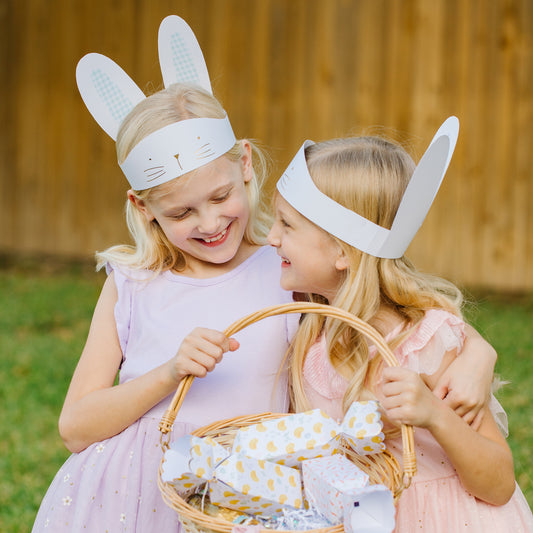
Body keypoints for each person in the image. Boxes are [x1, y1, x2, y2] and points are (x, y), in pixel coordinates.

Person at [31, 16, 297, 532]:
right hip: (132, 501)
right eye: (181, 213)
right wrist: (170, 372)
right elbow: (75, 427)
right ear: (143, 206)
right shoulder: (133, 282)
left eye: (221, 197)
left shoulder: (284, 267)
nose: (210, 222)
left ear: (244, 161)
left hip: (247, 495)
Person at [266, 117, 533, 531]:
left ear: (342, 251)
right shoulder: (311, 331)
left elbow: (497, 484)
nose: (271, 237)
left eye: (287, 224)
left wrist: (434, 414)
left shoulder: (426, 344)